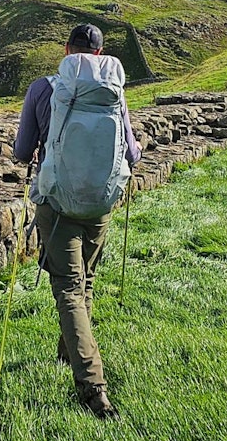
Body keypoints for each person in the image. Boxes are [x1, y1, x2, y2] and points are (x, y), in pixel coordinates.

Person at [13, 23, 141, 418]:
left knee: (68, 289)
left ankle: (93, 389)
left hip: (57, 201)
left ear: (67, 50)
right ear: (100, 55)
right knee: (84, 281)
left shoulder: (43, 88)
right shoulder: (112, 92)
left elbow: (21, 152)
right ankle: (68, 355)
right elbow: (132, 153)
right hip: (100, 203)